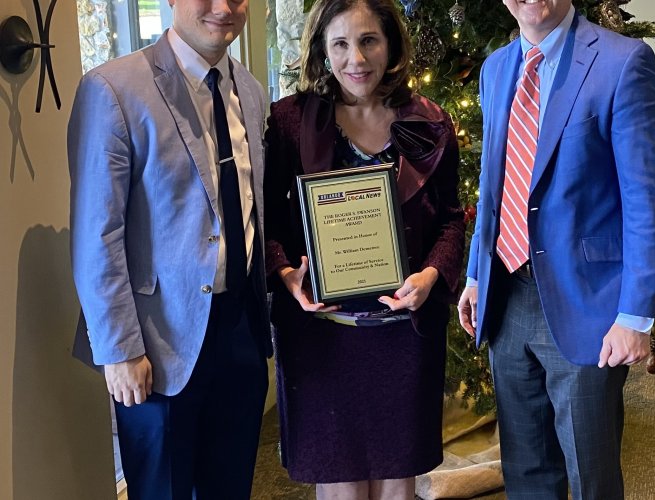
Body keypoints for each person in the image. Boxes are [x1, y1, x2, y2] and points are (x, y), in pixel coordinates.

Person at [458, 1, 655, 499]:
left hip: (588, 305)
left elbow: (648, 199)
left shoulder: (622, 62)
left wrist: (637, 315)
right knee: (526, 469)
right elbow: (493, 186)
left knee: (590, 474)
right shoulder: (496, 68)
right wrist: (475, 275)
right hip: (507, 296)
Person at [67, 0, 272, 497]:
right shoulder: (113, 89)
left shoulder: (250, 90)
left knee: (231, 487)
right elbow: (97, 235)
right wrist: (119, 350)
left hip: (241, 333)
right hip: (156, 346)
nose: (225, 8)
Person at [263, 0, 465, 498]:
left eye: (369, 40)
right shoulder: (291, 122)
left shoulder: (430, 123)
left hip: (403, 340)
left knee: (398, 488)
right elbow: (266, 224)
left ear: (390, 44)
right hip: (325, 342)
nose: (357, 58)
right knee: (342, 490)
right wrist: (286, 272)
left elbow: (452, 221)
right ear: (322, 51)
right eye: (341, 44)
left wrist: (431, 276)